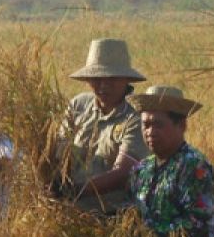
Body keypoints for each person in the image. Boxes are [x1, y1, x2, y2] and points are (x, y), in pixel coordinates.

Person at [56, 38, 149, 215]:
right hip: (71, 213)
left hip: (113, 215)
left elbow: (123, 172)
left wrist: (76, 191)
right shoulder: (78, 106)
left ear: (126, 80)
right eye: (97, 79)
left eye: (112, 79)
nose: (103, 85)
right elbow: (59, 151)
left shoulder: (135, 117)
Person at [128, 85, 214, 237]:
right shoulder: (140, 170)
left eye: (158, 125)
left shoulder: (194, 167)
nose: (150, 132)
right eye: (145, 125)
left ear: (182, 125)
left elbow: (199, 227)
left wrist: (149, 235)